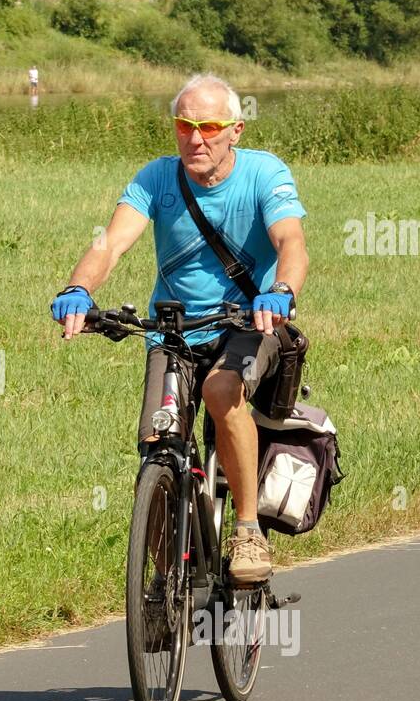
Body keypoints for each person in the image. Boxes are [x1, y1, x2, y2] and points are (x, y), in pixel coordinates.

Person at [50, 73, 309, 584]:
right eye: (185, 125)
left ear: (235, 130)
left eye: (209, 126)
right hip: (173, 331)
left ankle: (247, 530)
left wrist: (280, 292)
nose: (196, 138)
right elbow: (111, 243)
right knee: (157, 440)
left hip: (247, 322)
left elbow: (291, 242)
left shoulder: (264, 174)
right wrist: (78, 289)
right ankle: (168, 585)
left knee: (220, 390)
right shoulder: (156, 178)